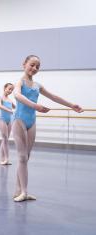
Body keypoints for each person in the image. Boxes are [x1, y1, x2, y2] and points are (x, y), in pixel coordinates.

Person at [12, 55, 83, 202]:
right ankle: (24, 192)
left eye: (38, 66)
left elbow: (53, 97)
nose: (35, 68)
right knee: (22, 157)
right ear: (24, 64)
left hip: (31, 122)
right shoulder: (20, 81)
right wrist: (35, 105)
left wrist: (71, 105)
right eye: (32, 65)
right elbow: (17, 95)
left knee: (26, 157)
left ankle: (19, 190)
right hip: (19, 120)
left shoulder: (38, 85)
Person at [0, 83, 15, 165]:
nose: (10, 91)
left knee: (5, 139)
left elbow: (16, 108)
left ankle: (2, 159)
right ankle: (6, 159)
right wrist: (9, 110)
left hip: (9, 120)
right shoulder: (0, 98)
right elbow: (0, 106)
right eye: (9, 89)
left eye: (12, 90)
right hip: (2, 119)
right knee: (5, 139)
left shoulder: (10, 101)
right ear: (5, 88)